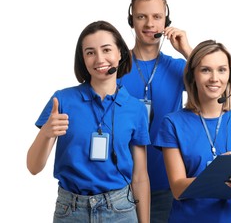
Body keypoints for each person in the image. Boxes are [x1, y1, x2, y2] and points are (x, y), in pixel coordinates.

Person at [27, 20, 151, 223]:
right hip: (70, 210)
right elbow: (33, 167)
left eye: (106, 50)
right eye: (90, 52)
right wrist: (46, 133)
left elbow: (140, 177)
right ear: (83, 59)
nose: (99, 58)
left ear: (120, 53)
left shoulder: (136, 109)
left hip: (120, 209)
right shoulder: (63, 100)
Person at [153, 40, 231, 222]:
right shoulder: (172, 123)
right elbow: (178, 189)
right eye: (205, 70)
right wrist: (217, 174)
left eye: (222, 70)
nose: (214, 78)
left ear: (230, 76)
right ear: (192, 75)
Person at [119, 0, 193, 222]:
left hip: (167, 184)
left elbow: (217, 87)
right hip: (120, 186)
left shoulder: (178, 66)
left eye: (157, 17)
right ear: (132, 20)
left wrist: (187, 50)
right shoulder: (116, 66)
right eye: (142, 16)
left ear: (166, 21)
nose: (149, 23)